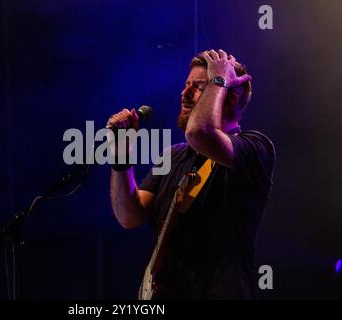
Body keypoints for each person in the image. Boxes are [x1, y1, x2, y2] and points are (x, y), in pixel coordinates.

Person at [107, 49, 276, 299]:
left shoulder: (255, 147)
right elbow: (129, 216)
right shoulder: (175, 156)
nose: (184, 94)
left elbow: (199, 133)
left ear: (229, 98)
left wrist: (219, 78)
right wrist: (121, 157)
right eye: (186, 85)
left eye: (198, 87)